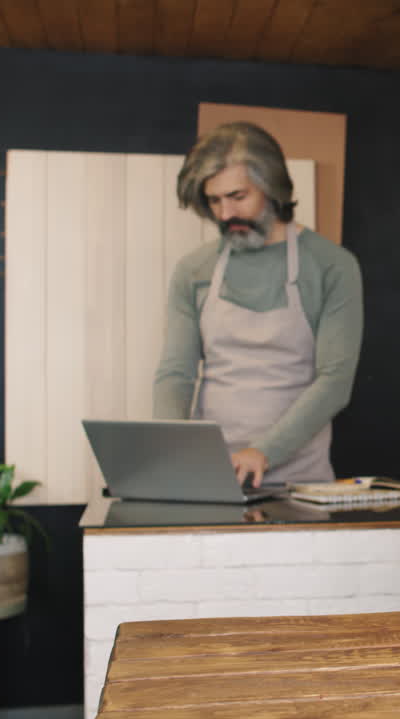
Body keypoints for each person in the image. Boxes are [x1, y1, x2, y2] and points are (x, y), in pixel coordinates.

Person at [154, 122, 363, 488]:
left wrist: (263, 451)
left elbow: (335, 381)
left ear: (273, 187)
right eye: (215, 201)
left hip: (301, 481)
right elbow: (175, 374)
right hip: (213, 476)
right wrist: (171, 451)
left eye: (238, 197)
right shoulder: (194, 270)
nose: (225, 214)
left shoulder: (333, 266)